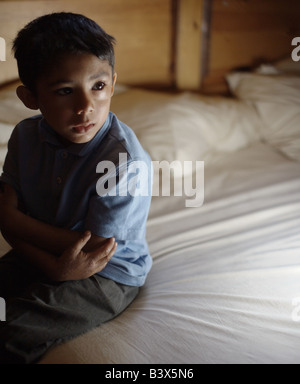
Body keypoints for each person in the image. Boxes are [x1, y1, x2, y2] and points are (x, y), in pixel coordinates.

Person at [0, 12, 152, 364]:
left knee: (13, 331)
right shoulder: (24, 136)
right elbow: (6, 213)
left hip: (108, 273)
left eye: (98, 86)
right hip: (36, 252)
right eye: (65, 91)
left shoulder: (122, 161)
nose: (86, 107)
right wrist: (48, 264)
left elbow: (96, 248)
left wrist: (13, 222)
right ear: (30, 97)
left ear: (112, 84)